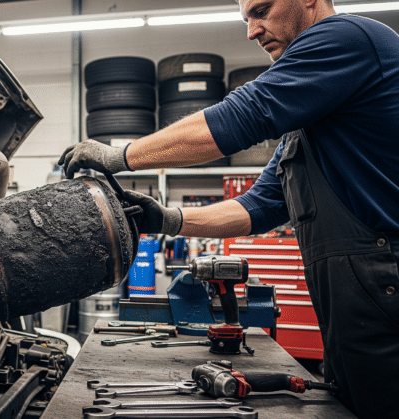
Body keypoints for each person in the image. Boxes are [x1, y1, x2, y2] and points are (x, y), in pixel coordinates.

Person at [59, 0, 399, 417]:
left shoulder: (346, 39)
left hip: (384, 283)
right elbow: (260, 205)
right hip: (356, 304)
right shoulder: (313, 117)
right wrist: (168, 219)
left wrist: (120, 155)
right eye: (246, 19)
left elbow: (242, 116)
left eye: (262, 10)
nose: (251, 31)